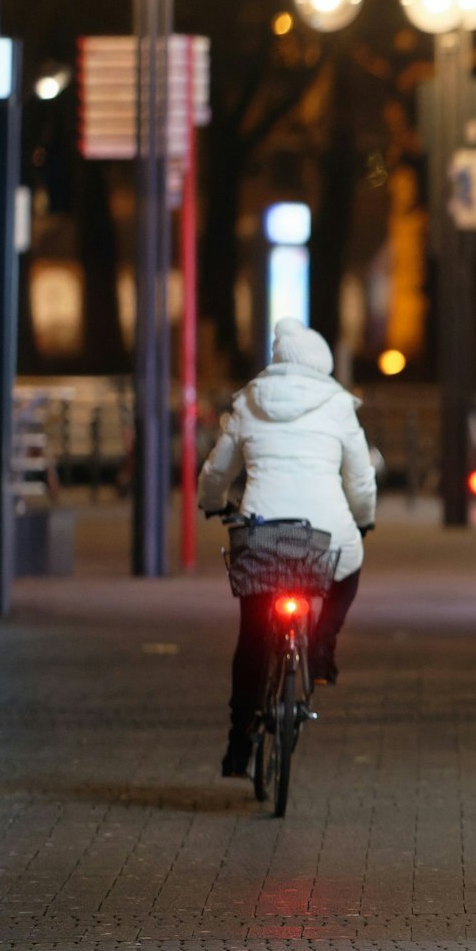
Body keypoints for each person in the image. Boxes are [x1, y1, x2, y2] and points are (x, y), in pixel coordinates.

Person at [199, 320, 377, 778]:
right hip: (324, 536)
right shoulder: (338, 406)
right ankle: (321, 646)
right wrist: (362, 518)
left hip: (261, 532)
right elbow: (360, 478)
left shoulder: (249, 402)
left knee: (253, 637)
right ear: (322, 364)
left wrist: (212, 504)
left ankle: (239, 742)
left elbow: (218, 471)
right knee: (350, 567)